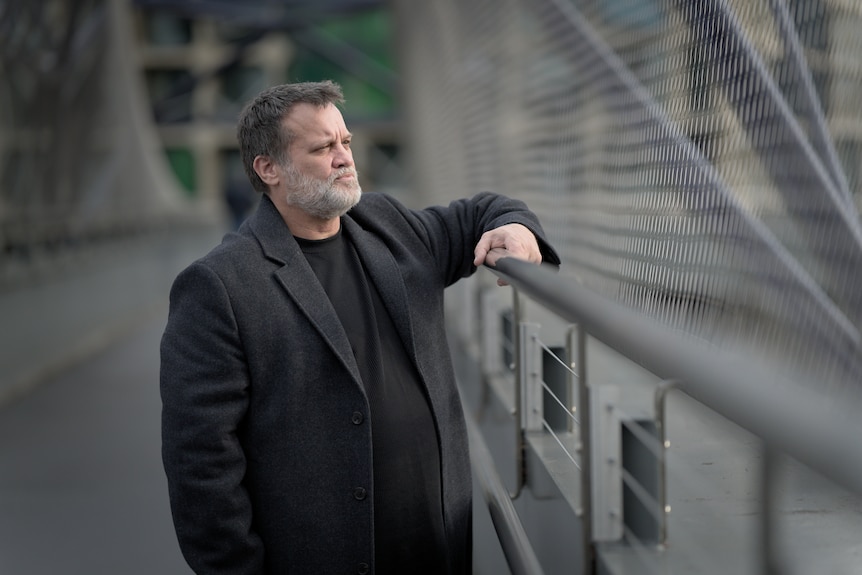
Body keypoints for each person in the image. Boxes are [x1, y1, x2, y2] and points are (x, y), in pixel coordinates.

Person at [160, 80, 560, 575]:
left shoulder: (388, 224)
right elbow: (200, 465)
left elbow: (483, 211)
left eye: (345, 141)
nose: (344, 157)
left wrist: (517, 231)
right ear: (268, 169)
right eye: (323, 147)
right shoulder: (219, 286)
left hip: (438, 545)